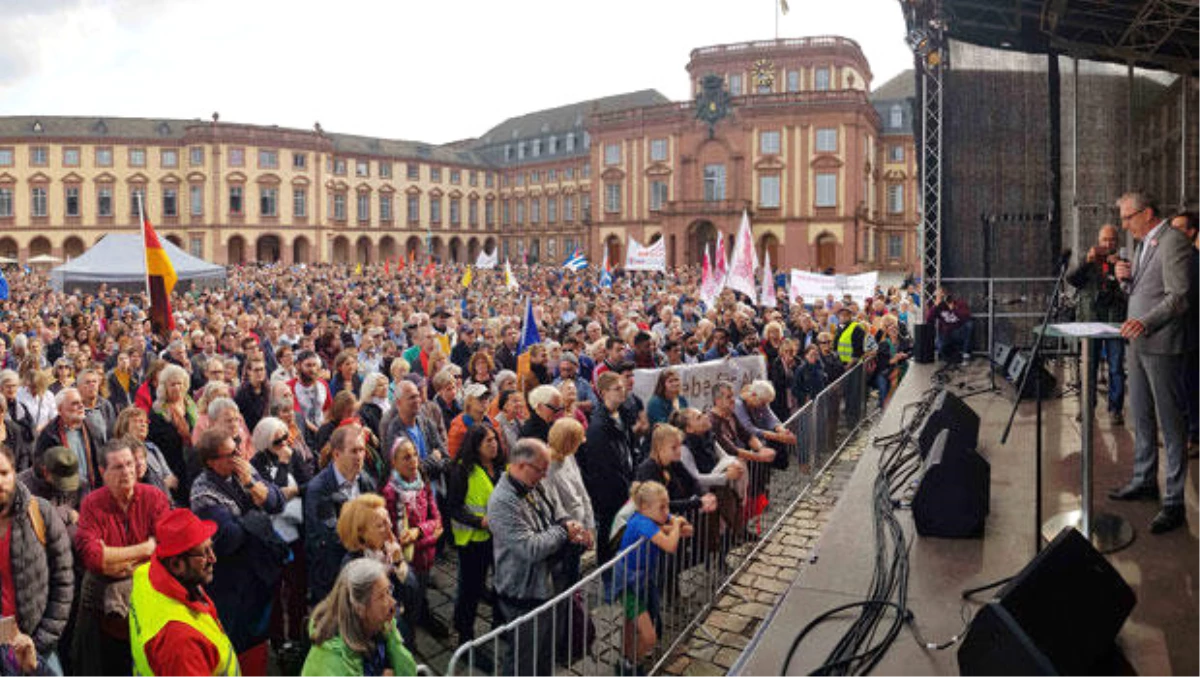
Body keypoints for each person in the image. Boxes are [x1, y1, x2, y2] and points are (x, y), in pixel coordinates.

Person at [1108, 191, 1191, 534]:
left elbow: (1179, 296)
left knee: (1170, 425)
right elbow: (1141, 294)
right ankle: (1144, 480)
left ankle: (1173, 501)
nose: (1124, 225)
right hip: (1137, 343)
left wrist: (1146, 322)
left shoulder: (1173, 241)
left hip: (1161, 344)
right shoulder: (1142, 245)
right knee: (1140, 415)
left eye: (1129, 217)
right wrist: (1124, 281)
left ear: (1148, 213)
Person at [486, 438, 587, 677]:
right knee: (524, 660)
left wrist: (569, 525)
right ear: (520, 465)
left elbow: (558, 511)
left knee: (545, 654)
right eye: (540, 470)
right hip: (523, 593)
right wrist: (564, 532)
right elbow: (531, 548)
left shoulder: (536, 483)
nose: (544, 475)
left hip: (551, 585)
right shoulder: (502, 502)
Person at [190, 428, 286, 675]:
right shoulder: (202, 492)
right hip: (230, 584)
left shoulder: (244, 472)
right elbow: (229, 538)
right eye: (231, 454)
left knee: (258, 646)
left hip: (259, 575)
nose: (239, 456)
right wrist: (258, 515)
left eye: (238, 449)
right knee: (237, 647)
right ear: (212, 461)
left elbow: (277, 502)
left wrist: (252, 486)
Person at [72, 438, 170, 676]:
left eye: (129, 464)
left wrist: (114, 558)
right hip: (106, 619)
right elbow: (94, 558)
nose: (126, 472)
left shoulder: (154, 497)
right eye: (118, 467)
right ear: (103, 472)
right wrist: (145, 549)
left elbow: (166, 547)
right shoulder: (92, 504)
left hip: (150, 610)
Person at [127, 507, 239, 675]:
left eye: (211, 548)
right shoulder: (181, 643)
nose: (213, 559)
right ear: (176, 564)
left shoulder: (144, 575)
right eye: (204, 553)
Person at [0, 444, 74, 674]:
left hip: (38, 645)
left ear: (14, 472)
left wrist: (42, 641)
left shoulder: (39, 512)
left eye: (3, 473)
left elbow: (63, 579)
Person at [614, 481, 691, 677]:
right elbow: (670, 545)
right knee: (649, 637)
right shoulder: (642, 522)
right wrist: (674, 525)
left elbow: (686, 530)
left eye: (667, 506)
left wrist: (674, 525)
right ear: (644, 507)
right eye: (662, 507)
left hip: (643, 580)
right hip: (628, 585)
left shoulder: (654, 518)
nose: (667, 511)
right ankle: (631, 664)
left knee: (631, 624)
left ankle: (626, 660)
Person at [249, 416, 311, 652]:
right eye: (278, 441)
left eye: (287, 437)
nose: (285, 444)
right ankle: (278, 640)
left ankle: (297, 632)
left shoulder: (294, 455)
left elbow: (308, 483)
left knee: (298, 588)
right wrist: (283, 467)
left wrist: (293, 490)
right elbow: (273, 499)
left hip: (296, 533)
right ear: (265, 444)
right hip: (273, 538)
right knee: (275, 592)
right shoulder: (257, 463)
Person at [301, 558, 417, 677]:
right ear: (359, 608)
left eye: (389, 591)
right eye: (382, 596)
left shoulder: (381, 626)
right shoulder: (331, 663)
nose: (393, 602)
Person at [381, 438, 448, 639]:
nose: (413, 461)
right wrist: (431, 537)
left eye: (415, 455)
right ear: (394, 462)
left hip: (426, 557)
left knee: (419, 600)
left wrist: (419, 531)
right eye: (406, 457)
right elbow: (399, 540)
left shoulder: (421, 481)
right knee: (408, 608)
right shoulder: (391, 493)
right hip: (408, 563)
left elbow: (436, 519)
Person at [444, 424, 503, 643]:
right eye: (488, 441)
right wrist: (479, 521)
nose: (494, 444)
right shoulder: (463, 470)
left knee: (500, 583)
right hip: (472, 542)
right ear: (476, 445)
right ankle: (465, 637)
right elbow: (454, 507)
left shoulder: (499, 467)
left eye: (495, 439)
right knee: (470, 591)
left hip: (496, 538)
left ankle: (500, 626)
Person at [305, 424, 376, 604]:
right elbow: (331, 536)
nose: (360, 456)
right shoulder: (319, 489)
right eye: (354, 451)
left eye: (361, 450)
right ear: (336, 454)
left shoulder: (365, 481)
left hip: (361, 567)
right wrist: (368, 537)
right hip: (331, 576)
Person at [1066, 223, 1128, 425]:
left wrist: (1120, 269)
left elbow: (1129, 289)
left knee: (1116, 369)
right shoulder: (1089, 263)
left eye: (1111, 240)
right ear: (1098, 241)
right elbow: (1072, 280)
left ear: (1117, 243)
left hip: (1114, 323)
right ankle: (1087, 408)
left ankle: (1115, 409)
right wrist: (1086, 261)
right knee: (1089, 368)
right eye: (1104, 240)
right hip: (1090, 322)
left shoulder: (1122, 263)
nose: (1108, 243)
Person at [578, 372, 636, 567]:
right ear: (603, 393)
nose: (623, 391)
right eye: (617, 388)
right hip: (609, 491)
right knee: (608, 532)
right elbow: (604, 466)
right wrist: (625, 487)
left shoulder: (623, 413)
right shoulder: (598, 427)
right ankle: (606, 569)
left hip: (625, 482)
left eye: (623, 387)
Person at [543, 418, 594, 593]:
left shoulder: (569, 456)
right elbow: (555, 508)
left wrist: (589, 526)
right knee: (565, 580)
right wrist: (576, 530)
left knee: (573, 574)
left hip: (579, 528)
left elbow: (581, 491)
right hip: (566, 534)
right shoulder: (546, 466)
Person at [146, 364, 197, 504]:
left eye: (179, 383)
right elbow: (155, 444)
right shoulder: (158, 411)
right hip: (172, 466)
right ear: (164, 387)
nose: (177, 388)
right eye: (172, 384)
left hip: (194, 464)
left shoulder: (190, 405)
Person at [34, 388, 101, 490]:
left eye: (81, 402)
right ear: (60, 410)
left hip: (90, 488)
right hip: (64, 491)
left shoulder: (91, 428)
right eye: (75, 403)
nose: (81, 406)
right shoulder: (49, 435)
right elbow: (42, 468)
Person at [924, 288, 974, 363]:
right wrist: (935, 306)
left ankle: (965, 353)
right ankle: (953, 354)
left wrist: (953, 309)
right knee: (939, 347)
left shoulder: (959, 303)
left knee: (970, 324)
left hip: (958, 331)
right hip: (945, 333)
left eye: (942, 294)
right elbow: (929, 319)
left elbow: (966, 317)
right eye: (938, 295)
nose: (941, 297)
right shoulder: (939, 307)